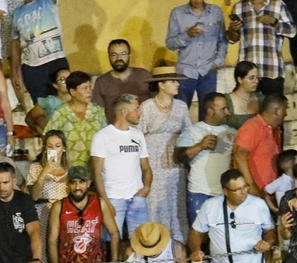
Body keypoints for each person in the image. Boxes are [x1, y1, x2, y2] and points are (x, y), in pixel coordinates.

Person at [139, 67, 193, 242]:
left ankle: (178, 244)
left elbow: (189, 133)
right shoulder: (147, 107)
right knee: (155, 202)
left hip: (176, 163)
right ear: (161, 84)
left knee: (177, 203)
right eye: (173, 81)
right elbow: (138, 136)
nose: (177, 84)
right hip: (153, 163)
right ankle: (155, 242)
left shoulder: (181, 106)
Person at [226, 0, 295, 101]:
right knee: (248, 112)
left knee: (273, 111)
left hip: (272, 72)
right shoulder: (239, 7)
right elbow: (232, 39)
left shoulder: (277, 5)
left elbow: (292, 31)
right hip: (247, 75)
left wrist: (274, 22)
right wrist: (233, 30)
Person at [190, 169, 272, 263]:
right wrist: (196, 250)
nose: (244, 192)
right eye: (238, 189)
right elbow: (195, 232)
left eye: (245, 186)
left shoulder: (259, 204)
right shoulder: (210, 206)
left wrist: (267, 243)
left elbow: (270, 231)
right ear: (225, 191)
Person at [89, 95, 151, 246]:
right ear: (124, 111)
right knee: (111, 241)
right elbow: (97, 172)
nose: (140, 113)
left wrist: (147, 187)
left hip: (137, 196)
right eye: (136, 109)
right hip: (114, 197)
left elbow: (146, 167)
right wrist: (105, 201)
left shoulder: (138, 135)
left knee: (142, 241)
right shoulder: (102, 136)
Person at [177, 93, 237, 246]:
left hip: (224, 193)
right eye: (223, 109)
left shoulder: (232, 133)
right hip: (199, 192)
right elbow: (179, 157)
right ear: (210, 110)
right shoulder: (192, 131)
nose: (227, 112)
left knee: (223, 238)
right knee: (199, 237)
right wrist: (200, 146)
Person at [49, 164, 116, 263]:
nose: (77, 187)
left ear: (88, 183)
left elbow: (114, 233)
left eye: (81, 182)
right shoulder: (59, 206)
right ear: (67, 185)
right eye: (73, 182)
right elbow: (52, 241)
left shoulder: (99, 203)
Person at [166, 0, 227, 111]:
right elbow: (170, 44)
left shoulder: (215, 12)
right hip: (185, 71)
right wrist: (187, 34)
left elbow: (223, 40)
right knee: (180, 112)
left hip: (208, 70)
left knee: (208, 114)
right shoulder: (177, 13)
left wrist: (218, 62)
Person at [9, 0, 68, 101]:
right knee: (40, 105)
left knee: (62, 102)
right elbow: (15, 44)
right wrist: (14, 70)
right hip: (32, 67)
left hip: (55, 61)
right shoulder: (17, 13)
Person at [233, 95, 287, 207]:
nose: (286, 114)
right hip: (254, 195)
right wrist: (251, 186)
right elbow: (240, 155)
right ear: (276, 111)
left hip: (266, 193)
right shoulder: (253, 126)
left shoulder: (274, 130)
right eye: (285, 109)